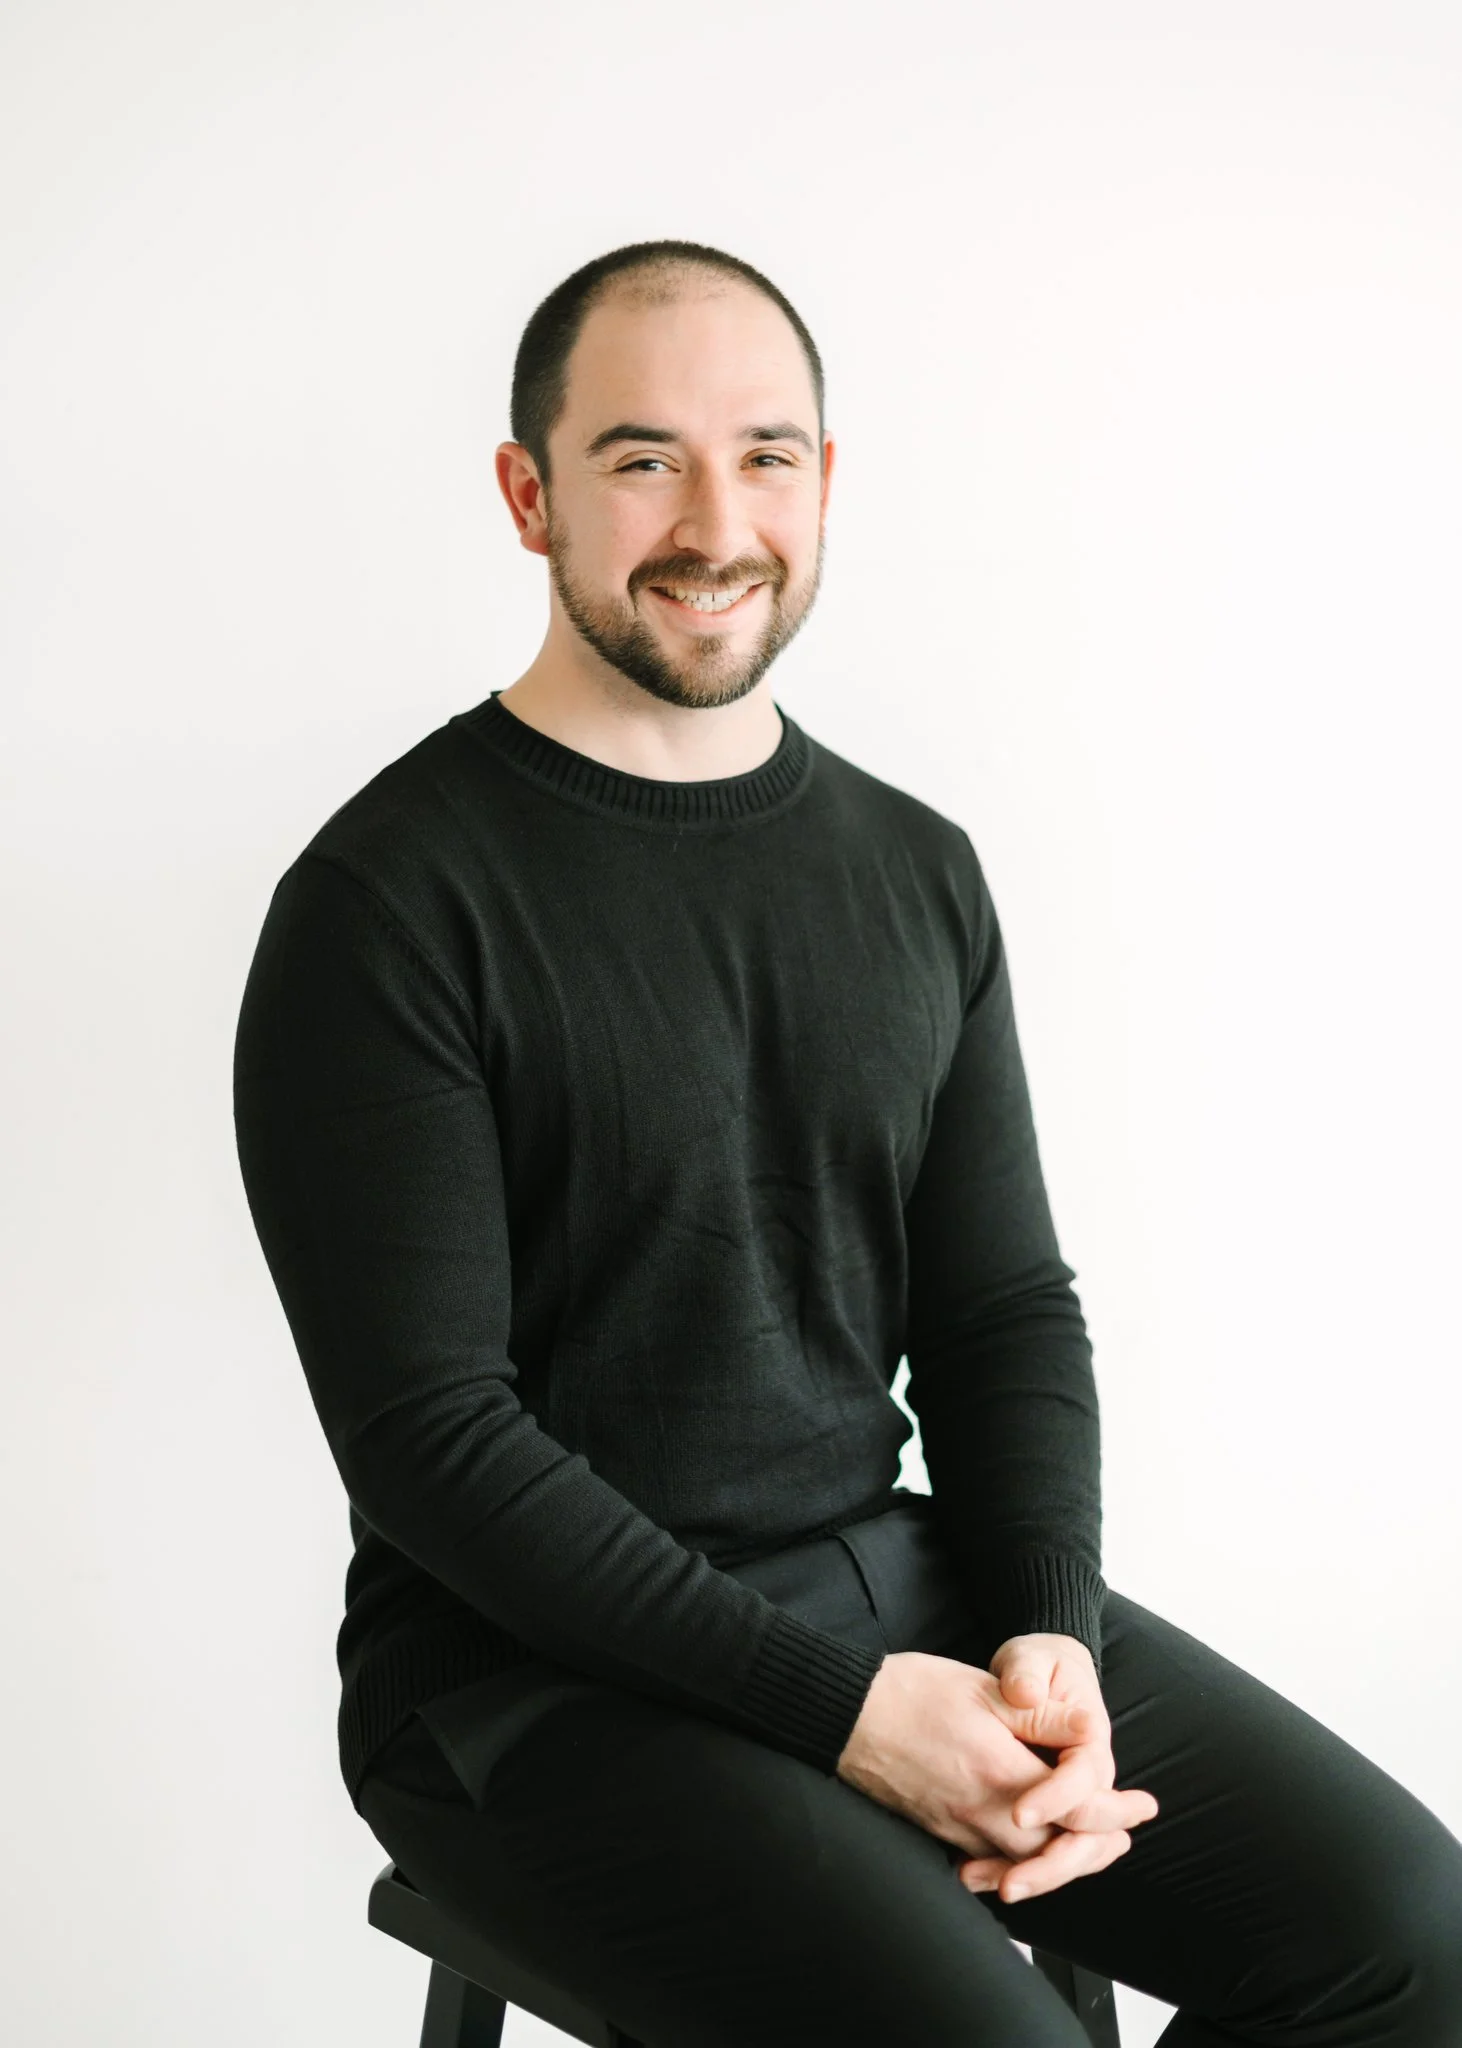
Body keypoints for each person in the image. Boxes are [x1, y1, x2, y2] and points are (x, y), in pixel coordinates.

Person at [232, 238, 1462, 2046]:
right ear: (528, 494)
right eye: (642, 458)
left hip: (890, 1584)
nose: (715, 522)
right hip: (519, 1680)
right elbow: (434, 1444)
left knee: (1410, 1941)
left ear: (826, 481)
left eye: (767, 456)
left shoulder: (911, 869)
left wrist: (1041, 1632)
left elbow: (998, 1312)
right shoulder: (388, 902)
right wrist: (849, 1714)